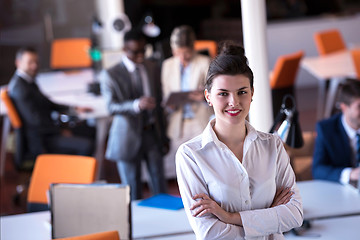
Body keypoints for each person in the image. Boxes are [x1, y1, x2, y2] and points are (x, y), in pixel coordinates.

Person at [176, 41, 303, 239]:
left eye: (242, 92)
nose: (233, 102)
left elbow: (295, 215)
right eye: (223, 94)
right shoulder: (190, 155)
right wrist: (270, 214)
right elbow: (210, 234)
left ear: (252, 93)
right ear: (208, 97)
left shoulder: (272, 145)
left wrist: (229, 216)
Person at [99, 29, 168, 200]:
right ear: (124, 49)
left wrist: (164, 133)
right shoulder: (110, 74)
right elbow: (111, 107)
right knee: (132, 189)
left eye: (143, 51)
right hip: (127, 136)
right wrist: (136, 105)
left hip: (152, 132)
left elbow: (158, 101)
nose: (140, 55)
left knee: (160, 184)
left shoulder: (152, 67)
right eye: (135, 51)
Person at [8, 47, 94, 160]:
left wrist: (73, 108)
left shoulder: (28, 81)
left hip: (48, 130)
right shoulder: (20, 89)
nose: (34, 66)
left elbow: (47, 103)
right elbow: (36, 121)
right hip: (42, 140)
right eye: (30, 62)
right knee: (87, 146)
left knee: (89, 130)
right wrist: (60, 131)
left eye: (36, 62)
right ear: (18, 63)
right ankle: (73, 174)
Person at [161, 25, 213, 178]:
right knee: (184, 170)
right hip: (179, 122)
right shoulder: (167, 65)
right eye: (178, 53)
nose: (182, 58)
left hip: (200, 121)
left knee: (205, 167)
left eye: (186, 53)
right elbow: (166, 94)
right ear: (173, 50)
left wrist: (204, 97)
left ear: (193, 48)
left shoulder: (205, 62)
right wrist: (169, 105)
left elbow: (215, 93)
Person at [312, 79, 360, 186]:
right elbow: (318, 170)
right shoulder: (326, 129)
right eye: (359, 106)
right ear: (344, 107)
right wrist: (350, 174)